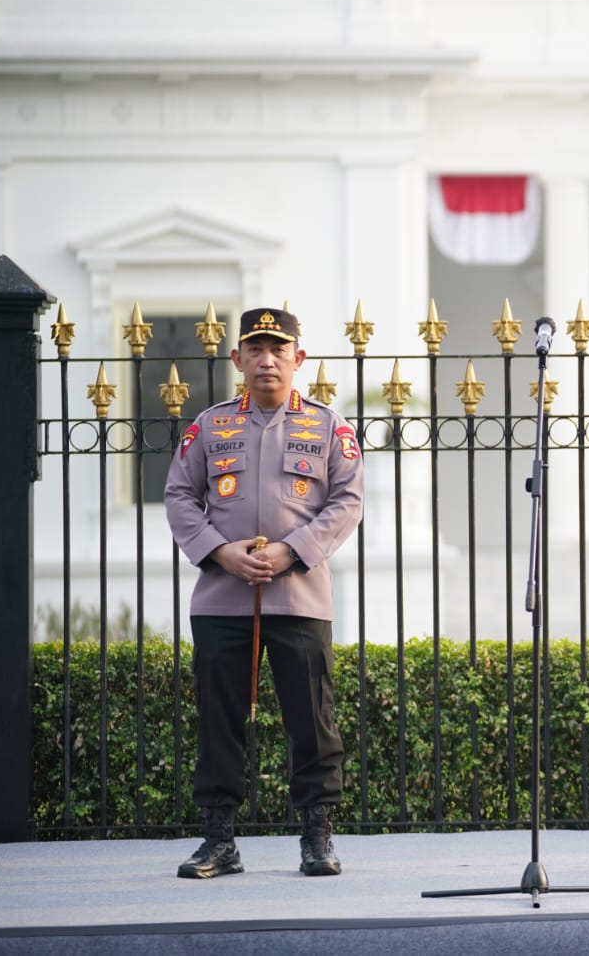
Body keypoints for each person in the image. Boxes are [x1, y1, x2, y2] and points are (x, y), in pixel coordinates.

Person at [165, 307, 364, 879]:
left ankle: (317, 839)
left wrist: (291, 550)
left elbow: (347, 501)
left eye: (279, 348)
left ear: (299, 359)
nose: (267, 358)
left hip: (299, 594)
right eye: (255, 348)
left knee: (312, 720)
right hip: (222, 596)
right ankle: (219, 842)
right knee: (219, 719)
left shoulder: (329, 428)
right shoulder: (209, 426)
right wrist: (220, 551)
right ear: (238, 360)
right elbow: (180, 494)